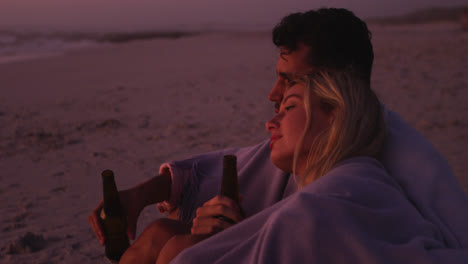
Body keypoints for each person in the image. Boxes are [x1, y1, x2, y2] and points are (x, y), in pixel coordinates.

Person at [89, 8, 468, 263]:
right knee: (159, 235)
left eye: (290, 87)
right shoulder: (325, 139)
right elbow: (234, 165)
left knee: (176, 246)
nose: (273, 96)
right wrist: (139, 195)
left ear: (336, 92)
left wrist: (204, 243)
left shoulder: (401, 163)